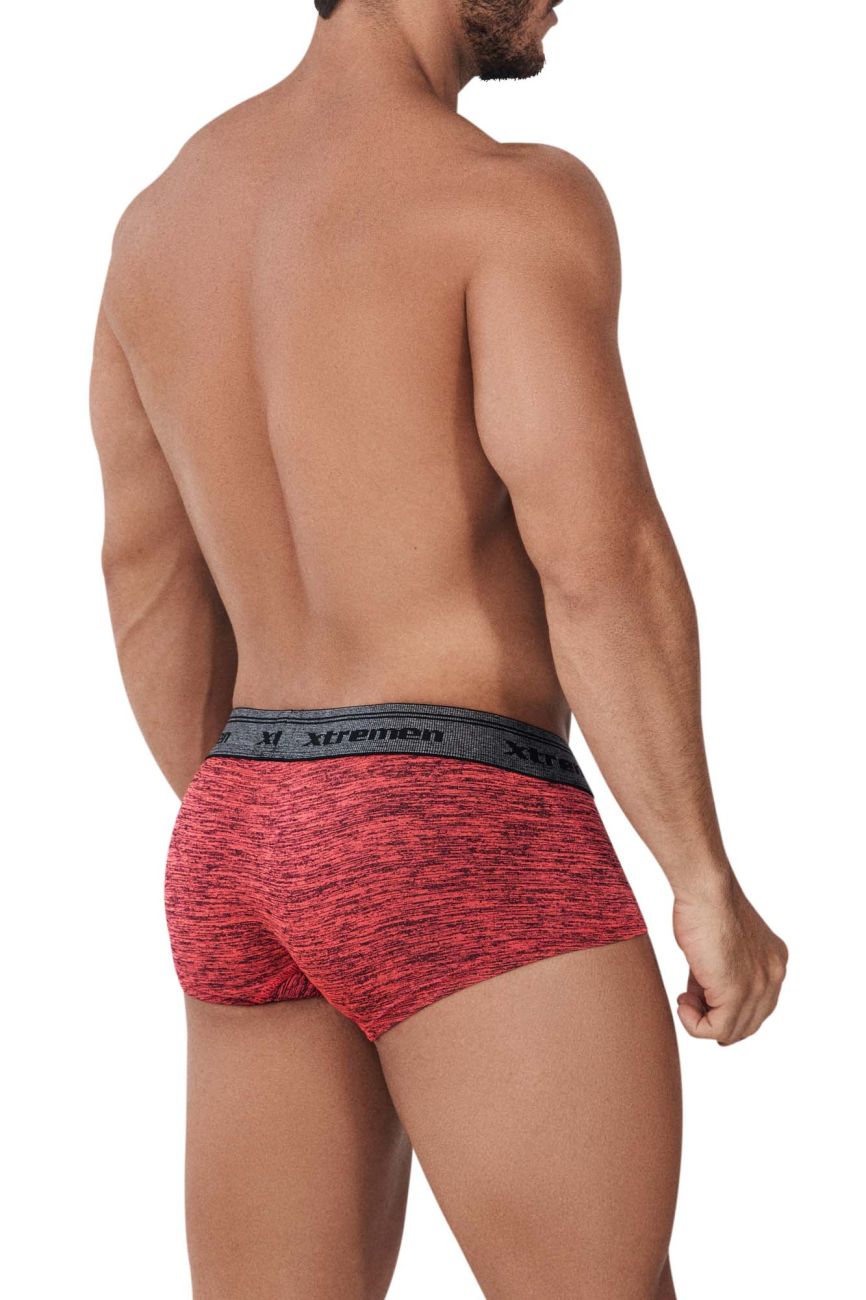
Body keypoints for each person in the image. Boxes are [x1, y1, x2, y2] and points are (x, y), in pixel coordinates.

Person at [88, 1, 788, 1295]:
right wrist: (700, 875)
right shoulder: (504, 200)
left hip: (239, 827)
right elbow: (597, 555)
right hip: (459, 812)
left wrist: (286, 833)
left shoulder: (161, 217)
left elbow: (144, 567)